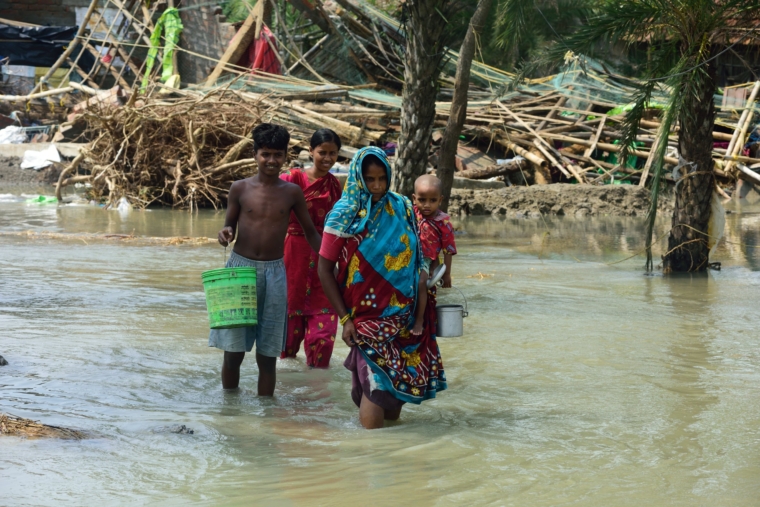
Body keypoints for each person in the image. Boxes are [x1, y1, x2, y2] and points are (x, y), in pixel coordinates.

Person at [317, 146, 447, 429]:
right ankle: (371, 456)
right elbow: (324, 270)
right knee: (375, 387)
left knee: (395, 387)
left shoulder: (400, 205)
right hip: (364, 317)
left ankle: (391, 461)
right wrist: (345, 319)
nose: (376, 186)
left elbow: (417, 254)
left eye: (381, 179)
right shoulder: (344, 214)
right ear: (357, 177)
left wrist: (425, 289)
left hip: (405, 314)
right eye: (369, 179)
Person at [210, 123, 322, 395]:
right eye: (266, 154)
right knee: (233, 351)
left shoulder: (292, 192)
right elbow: (229, 229)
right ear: (255, 154)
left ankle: (265, 415)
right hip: (239, 270)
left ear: (286, 156)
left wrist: (330, 264)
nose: (272, 161)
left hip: (275, 272)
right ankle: (230, 411)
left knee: (268, 354)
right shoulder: (239, 188)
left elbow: (310, 231)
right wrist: (224, 234)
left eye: (278, 155)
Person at [279, 129, 343, 368]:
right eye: (322, 152)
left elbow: (340, 225)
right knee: (287, 338)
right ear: (310, 151)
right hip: (292, 257)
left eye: (333, 153)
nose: (327, 158)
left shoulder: (334, 185)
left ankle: (317, 388)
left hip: (323, 259)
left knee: (323, 337)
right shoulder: (292, 179)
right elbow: (275, 216)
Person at [410, 174, 457, 335]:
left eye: (433, 200)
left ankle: (419, 320)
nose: (427, 205)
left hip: (426, 259)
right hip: (408, 256)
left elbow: (448, 250)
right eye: (422, 200)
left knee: (421, 282)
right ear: (414, 198)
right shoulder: (411, 214)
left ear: (440, 200)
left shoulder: (443, 223)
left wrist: (447, 273)